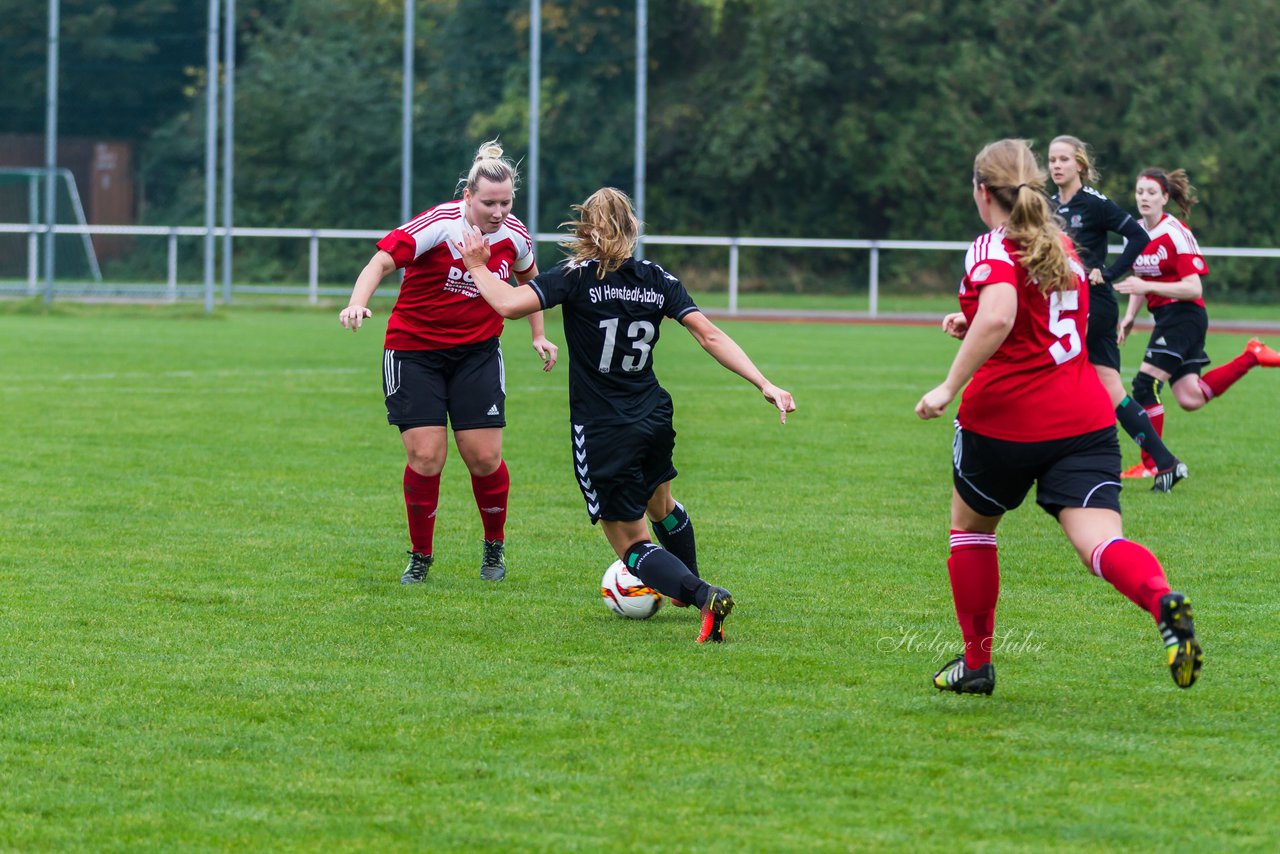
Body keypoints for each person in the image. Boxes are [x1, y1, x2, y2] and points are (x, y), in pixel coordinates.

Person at [916, 139, 1203, 695]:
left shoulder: (989, 245)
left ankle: (976, 665)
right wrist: (968, 319)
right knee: (1099, 540)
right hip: (1083, 419)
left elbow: (1000, 315)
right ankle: (1161, 600)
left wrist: (949, 385)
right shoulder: (1062, 246)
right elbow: (1030, 317)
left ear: (982, 190)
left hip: (1004, 421)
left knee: (971, 532)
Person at [458, 187, 795, 643]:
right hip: (653, 414)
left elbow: (508, 305)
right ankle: (685, 585)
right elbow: (710, 335)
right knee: (662, 505)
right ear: (632, 229)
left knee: (632, 543)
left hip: (604, 428)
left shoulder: (576, 275)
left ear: (589, 230)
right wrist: (765, 383)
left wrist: (477, 265)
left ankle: (699, 593)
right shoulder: (657, 279)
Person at [339, 139, 559, 584]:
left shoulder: (515, 234)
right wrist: (357, 302)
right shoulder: (440, 224)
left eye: (506, 202)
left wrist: (539, 333)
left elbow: (531, 282)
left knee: (483, 457)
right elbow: (381, 262)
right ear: (468, 197)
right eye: (488, 203)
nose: (498, 212)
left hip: (476, 353)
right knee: (426, 456)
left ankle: (493, 549)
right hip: (414, 352)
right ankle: (420, 556)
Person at [1114, 167, 1280, 478]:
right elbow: (1140, 278)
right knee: (1190, 398)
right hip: (1167, 318)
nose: (1144, 198)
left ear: (1165, 197)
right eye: (1140, 192)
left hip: (1184, 316)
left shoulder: (1175, 232)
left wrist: (1148, 288)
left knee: (1144, 385)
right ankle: (1252, 356)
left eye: (1151, 193)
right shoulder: (1135, 232)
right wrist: (1128, 318)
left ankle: (1152, 465)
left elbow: (1194, 288)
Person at [1047, 136, 1185, 492]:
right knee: (1111, 391)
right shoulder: (1047, 207)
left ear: (1079, 163)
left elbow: (1138, 236)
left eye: (1064, 159)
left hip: (1092, 304)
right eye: (1051, 160)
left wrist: (1108, 272)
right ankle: (1166, 463)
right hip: (1067, 305)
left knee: (1054, 376)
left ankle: (1062, 462)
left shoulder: (1093, 203)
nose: (1056, 165)